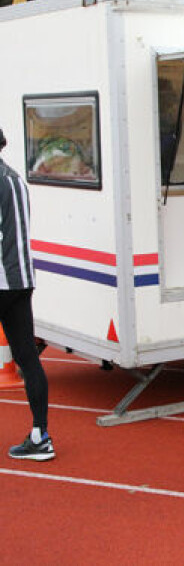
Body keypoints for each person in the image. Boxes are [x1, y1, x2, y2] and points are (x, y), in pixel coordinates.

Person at [0, 126, 54, 461]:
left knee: (26, 356)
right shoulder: (15, 179)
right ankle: (40, 435)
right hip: (21, 279)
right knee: (27, 357)